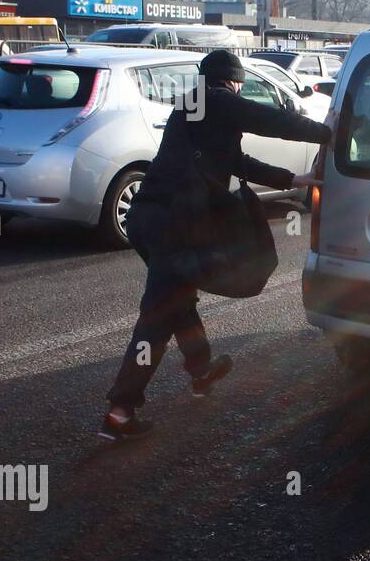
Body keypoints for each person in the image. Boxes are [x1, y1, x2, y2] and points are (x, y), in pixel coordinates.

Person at [101, 50, 331, 440]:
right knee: (158, 314)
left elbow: (234, 160)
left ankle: (201, 369)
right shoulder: (216, 99)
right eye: (239, 83)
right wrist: (327, 133)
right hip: (177, 226)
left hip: (147, 219)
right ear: (232, 80)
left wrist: (292, 178)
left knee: (177, 297)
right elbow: (270, 120)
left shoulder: (191, 106)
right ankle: (121, 410)